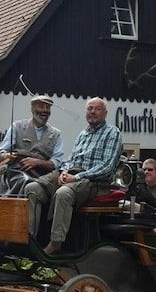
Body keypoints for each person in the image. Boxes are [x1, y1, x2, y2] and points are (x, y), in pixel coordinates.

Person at [24, 97, 123, 254]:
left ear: (105, 113)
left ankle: (56, 244)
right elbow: (71, 160)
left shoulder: (112, 133)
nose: (92, 112)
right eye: (89, 109)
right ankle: (30, 238)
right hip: (73, 174)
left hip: (95, 182)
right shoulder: (82, 134)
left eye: (97, 109)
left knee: (63, 193)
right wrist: (64, 171)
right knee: (32, 188)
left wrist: (76, 177)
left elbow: (107, 167)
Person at [0, 95, 64, 196]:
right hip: (17, 173)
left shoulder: (56, 134)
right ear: (32, 109)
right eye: (41, 106)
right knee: (25, 181)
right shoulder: (16, 127)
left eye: (48, 107)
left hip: (44, 177)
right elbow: (0, 154)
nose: (45, 110)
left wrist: (38, 162)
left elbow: (57, 162)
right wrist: (6, 156)